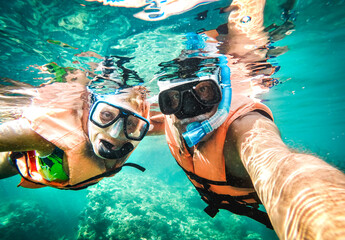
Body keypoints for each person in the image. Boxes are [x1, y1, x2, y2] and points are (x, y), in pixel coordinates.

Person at [153, 0, 345, 239]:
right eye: (172, 100)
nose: (191, 112)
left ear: (222, 92)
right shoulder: (173, 118)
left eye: (204, 92)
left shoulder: (245, 128)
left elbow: (280, 166)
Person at [0, 57, 152, 190]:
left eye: (131, 124)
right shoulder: (41, 137)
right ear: (89, 109)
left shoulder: (138, 131)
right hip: (13, 161)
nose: (115, 133)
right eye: (106, 115)